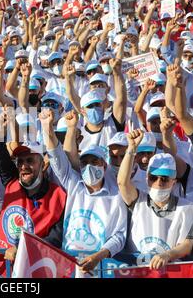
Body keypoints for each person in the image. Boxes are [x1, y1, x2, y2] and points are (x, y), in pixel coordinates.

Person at [40, 108, 127, 277]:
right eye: (85, 162)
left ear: (104, 165)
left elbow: (119, 236)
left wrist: (99, 256)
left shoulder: (116, 195)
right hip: (69, 265)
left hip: (100, 267)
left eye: (95, 161)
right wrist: (47, 128)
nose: (89, 166)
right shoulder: (74, 185)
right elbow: (56, 156)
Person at [0, 109, 66, 277]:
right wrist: (0, 132)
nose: (23, 166)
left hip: (33, 272)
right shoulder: (12, 182)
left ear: (43, 164)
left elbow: (55, 240)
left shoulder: (58, 196)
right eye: (21, 161)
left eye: (30, 160)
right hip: (2, 271)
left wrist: (22, 250)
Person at [117, 129, 193, 269]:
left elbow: (187, 245)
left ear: (174, 181)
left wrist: (167, 255)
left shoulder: (186, 208)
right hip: (139, 271)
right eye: (154, 178)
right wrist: (131, 148)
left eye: (165, 179)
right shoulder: (138, 202)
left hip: (170, 270)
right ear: (147, 179)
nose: (159, 183)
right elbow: (122, 183)